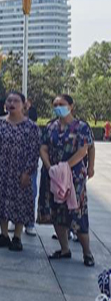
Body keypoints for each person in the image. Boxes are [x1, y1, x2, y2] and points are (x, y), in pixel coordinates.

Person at [40, 94, 95, 267]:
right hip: (53, 174)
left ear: (71, 106)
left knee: (76, 212)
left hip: (74, 176)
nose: (58, 107)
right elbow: (43, 148)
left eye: (61, 104)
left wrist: (65, 167)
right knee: (57, 212)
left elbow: (84, 149)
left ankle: (87, 253)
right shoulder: (50, 127)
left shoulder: (81, 127)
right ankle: (64, 249)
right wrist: (50, 167)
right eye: (55, 104)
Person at [0, 91, 41, 252]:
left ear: (24, 105)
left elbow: (34, 151)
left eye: (16, 101)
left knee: (21, 202)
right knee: (1, 201)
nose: (11, 103)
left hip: (21, 171)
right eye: (9, 100)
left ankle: (17, 237)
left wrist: (28, 172)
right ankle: (4, 234)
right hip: (1, 169)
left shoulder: (31, 127)